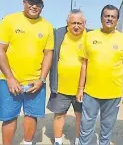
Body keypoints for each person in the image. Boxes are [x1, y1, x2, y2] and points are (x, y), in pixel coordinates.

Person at [0, 0, 54, 145]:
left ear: (42, 7)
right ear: (24, 2)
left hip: (35, 82)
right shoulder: (9, 20)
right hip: (9, 81)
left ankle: (28, 143)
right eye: (31, 2)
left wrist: (41, 80)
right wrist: (10, 78)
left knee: (31, 115)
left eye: (38, 3)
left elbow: (48, 54)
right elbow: (0, 51)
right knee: (9, 117)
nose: (34, 6)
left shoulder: (47, 26)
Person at [76, 4, 123, 145]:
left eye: (113, 16)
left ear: (117, 20)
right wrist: (80, 88)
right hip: (91, 92)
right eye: (106, 16)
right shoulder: (89, 36)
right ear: (101, 18)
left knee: (107, 129)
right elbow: (84, 64)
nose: (109, 19)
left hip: (113, 93)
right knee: (86, 127)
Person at [47, 9, 86, 145]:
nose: (76, 26)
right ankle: (58, 141)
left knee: (80, 117)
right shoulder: (58, 34)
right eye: (73, 23)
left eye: (79, 23)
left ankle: (77, 141)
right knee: (59, 115)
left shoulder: (91, 36)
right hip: (60, 87)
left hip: (83, 88)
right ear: (67, 23)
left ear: (84, 23)